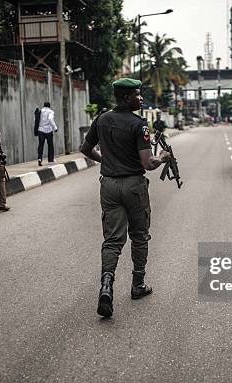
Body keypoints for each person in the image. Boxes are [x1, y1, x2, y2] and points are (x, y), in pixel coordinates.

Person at [80, 78, 171, 318]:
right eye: (137, 95)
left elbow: (85, 150)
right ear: (127, 97)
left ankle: (106, 286)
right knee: (139, 235)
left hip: (108, 185)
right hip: (133, 185)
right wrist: (162, 157)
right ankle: (138, 285)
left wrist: (106, 162)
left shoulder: (100, 120)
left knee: (112, 241)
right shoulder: (138, 124)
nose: (141, 99)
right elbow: (147, 163)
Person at [34, 102, 58, 166]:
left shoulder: (40, 111)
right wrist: (55, 127)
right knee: (50, 145)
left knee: (41, 145)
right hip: (49, 130)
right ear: (49, 106)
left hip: (41, 130)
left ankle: (39, 158)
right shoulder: (51, 112)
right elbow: (50, 119)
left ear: (44, 106)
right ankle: (50, 159)